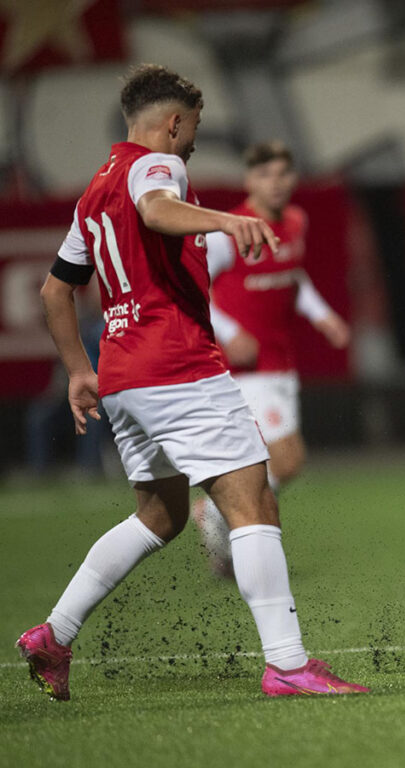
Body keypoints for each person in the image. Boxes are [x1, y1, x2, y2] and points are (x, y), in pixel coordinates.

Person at [15, 64, 367, 698]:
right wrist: (226, 220)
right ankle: (288, 665)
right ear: (174, 123)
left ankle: (54, 635)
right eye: (195, 131)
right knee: (253, 504)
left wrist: (78, 371)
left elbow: (54, 291)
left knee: (160, 515)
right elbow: (155, 209)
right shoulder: (159, 166)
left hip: (122, 375)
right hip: (177, 366)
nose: (193, 145)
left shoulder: (93, 190)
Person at [191, 140, 350, 577]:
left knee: (273, 464)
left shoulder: (296, 222)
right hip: (244, 367)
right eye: (264, 175)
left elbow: (293, 276)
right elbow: (196, 288)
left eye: (282, 173)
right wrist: (230, 332)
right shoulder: (232, 231)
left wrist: (322, 316)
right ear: (249, 180)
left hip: (280, 361)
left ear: (293, 178)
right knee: (286, 460)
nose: (274, 183)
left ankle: (225, 533)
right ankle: (219, 516)